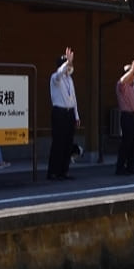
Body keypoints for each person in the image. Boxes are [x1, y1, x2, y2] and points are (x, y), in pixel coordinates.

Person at [47, 47, 79, 180]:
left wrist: (76, 115)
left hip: (69, 113)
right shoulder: (55, 77)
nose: (69, 67)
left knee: (68, 142)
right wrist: (67, 62)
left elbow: (74, 98)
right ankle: (53, 172)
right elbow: (60, 73)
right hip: (59, 113)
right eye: (67, 64)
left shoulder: (70, 79)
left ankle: (63, 171)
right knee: (58, 143)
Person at [115, 59, 134, 175]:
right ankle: (120, 167)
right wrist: (131, 70)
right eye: (132, 73)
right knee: (126, 143)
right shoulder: (122, 86)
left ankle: (130, 166)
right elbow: (122, 81)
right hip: (127, 117)